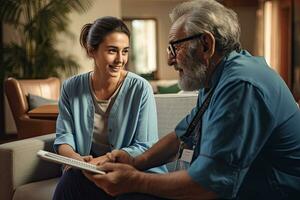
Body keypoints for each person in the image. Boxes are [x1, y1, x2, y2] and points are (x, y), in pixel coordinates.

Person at [84, 1, 300, 199]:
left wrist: (135, 180)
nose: (169, 59)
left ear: (206, 44)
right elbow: (182, 135)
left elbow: (208, 184)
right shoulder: (216, 79)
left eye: (174, 47)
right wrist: (135, 162)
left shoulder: (241, 86)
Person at [53, 16, 167, 200]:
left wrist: (104, 160)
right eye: (112, 51)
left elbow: (146, 145)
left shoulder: (140, 88)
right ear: (92, 51)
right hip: (89, 171)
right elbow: (64, 138)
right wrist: (76, 160)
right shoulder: (71, 87)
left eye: (125, 51)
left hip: (132, 171)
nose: (120, 59)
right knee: (70, 181)